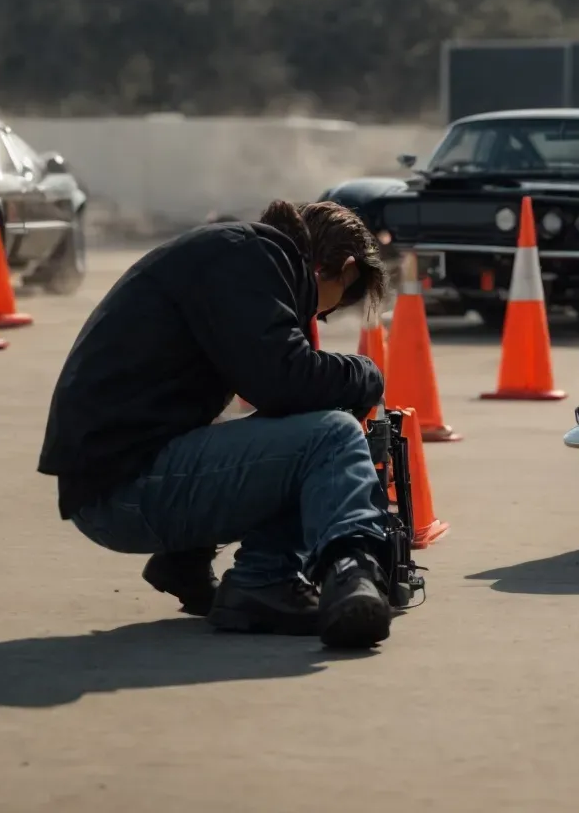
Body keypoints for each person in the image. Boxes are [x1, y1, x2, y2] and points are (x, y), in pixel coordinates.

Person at [37, 199, 401, 650]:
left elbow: (280, 396)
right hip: (122, 491)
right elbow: (285, 382)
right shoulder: (252, 258)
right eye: (329, 309)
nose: (316, 317)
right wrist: (365, 374)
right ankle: (334, 574)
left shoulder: (239, 257)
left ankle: (191, 560)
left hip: (116, 481)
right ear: (344, 268)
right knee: (333, 434)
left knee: (304, 426)